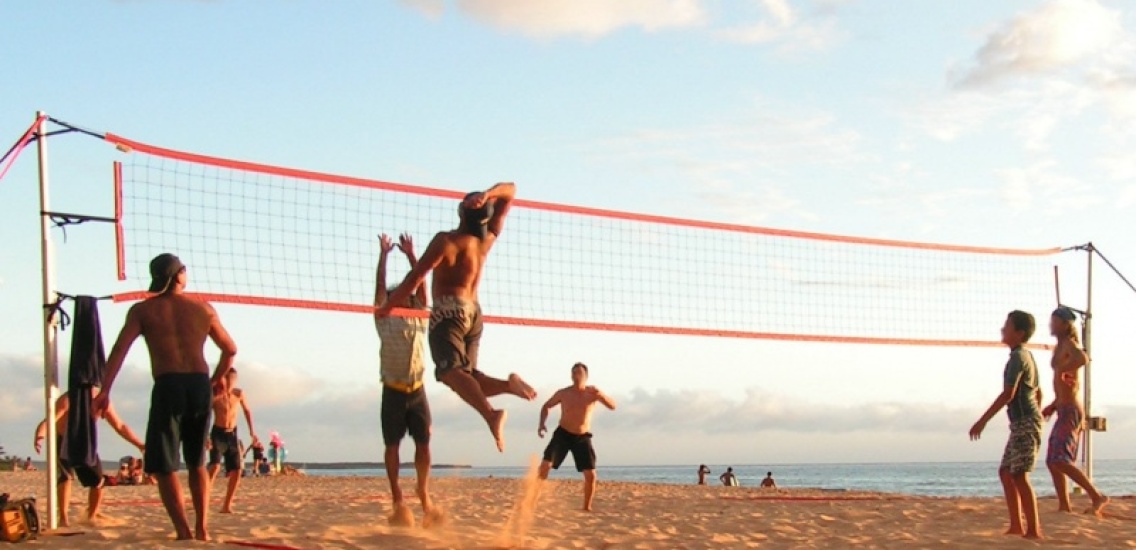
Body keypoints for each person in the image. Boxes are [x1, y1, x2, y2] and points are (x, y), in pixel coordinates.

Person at [378, 183, 536, 452]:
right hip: (474, 312)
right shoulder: (485, 240)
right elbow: (511, 191)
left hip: (449, 311)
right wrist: (489, 195)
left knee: (450, 372)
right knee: (468, 380)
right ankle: (508, 386)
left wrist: (387, 307)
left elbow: (415, 278)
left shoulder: (446, 241)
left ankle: (491, 414)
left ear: (462, 212)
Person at [95, 253, 238, 542]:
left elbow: (119, 350)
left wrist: (105, 390)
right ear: (179, 275)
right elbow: (231, 350)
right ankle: (202, 529)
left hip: (168, 384)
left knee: (164, 465)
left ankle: (183, 531)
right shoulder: (204, 310)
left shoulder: (143, 311)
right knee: (197, 461)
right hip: (198, 385)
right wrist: (215, 379)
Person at [373, 232, 442, 527]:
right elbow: (379, 289)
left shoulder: (418, 316)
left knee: (424, 444)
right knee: (392, 447)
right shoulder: (383, 316)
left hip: (417, 390)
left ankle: (423, 492)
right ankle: (397, 497)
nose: (406, 297)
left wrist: (413, 256)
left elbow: (422, 288)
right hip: (392, 391)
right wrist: (384, 256)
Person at [969, 310, 1044, 540]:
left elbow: (1008, 394)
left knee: (1019, 475)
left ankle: (1033, 530)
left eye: (1007, 326)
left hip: (1025, 423)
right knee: (1005, 472)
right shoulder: (1025, 356)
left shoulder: (1018, 358)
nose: (1003, 329)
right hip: (1023, 422)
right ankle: (1016, 525)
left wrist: (982, 420)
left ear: (1019, 333)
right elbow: (1038, 391)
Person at [33, 391, 145, 526]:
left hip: (85, 442)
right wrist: (40, 434)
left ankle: (91, 515)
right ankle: (63, 518)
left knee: (98, 482)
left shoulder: (101, 399)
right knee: (66, 477)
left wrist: (139, 444)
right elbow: (50, 420)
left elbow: (120, 425)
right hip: (64, 439)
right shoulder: (69, 398)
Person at [1043, 307, 1109, 515]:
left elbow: (1083, 359)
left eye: (1054, 322)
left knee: (1060, 459)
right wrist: (1053, 404)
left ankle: (1097, 496)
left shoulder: (1070, 344)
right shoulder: (1060, 346)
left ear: (1064, 324)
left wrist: (1063, 369)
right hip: (1063, 407)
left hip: (1071, 409)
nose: (1051, 325)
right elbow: (1064, 383)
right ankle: (1064, 505)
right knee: (1052, 461)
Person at [536, 362, 616, 512]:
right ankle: (532, 499)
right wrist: (542, 424)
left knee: (591, 474)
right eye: (574, 372)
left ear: (586, 376)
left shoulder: (592, 394)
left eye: (579, 372)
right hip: (563, 434)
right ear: (571, 375)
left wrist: (601, 395)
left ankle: (587, 507)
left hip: (582, 437)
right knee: (545, 466)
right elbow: (546, 406)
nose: (576, 375)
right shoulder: (563, 393)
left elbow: (613, 406)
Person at [207, 368, 259, 514]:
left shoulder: (238, 394)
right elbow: (206, 415)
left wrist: (252, 432)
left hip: (232, 434)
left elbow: (247, 411)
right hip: (217, 433)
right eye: (227, 379)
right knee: (215, 467)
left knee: (237, 470)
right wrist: (206, 437)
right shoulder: (215, 395)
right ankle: (205, 498)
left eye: (232, 380)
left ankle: (226, 505)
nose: (229, 382)